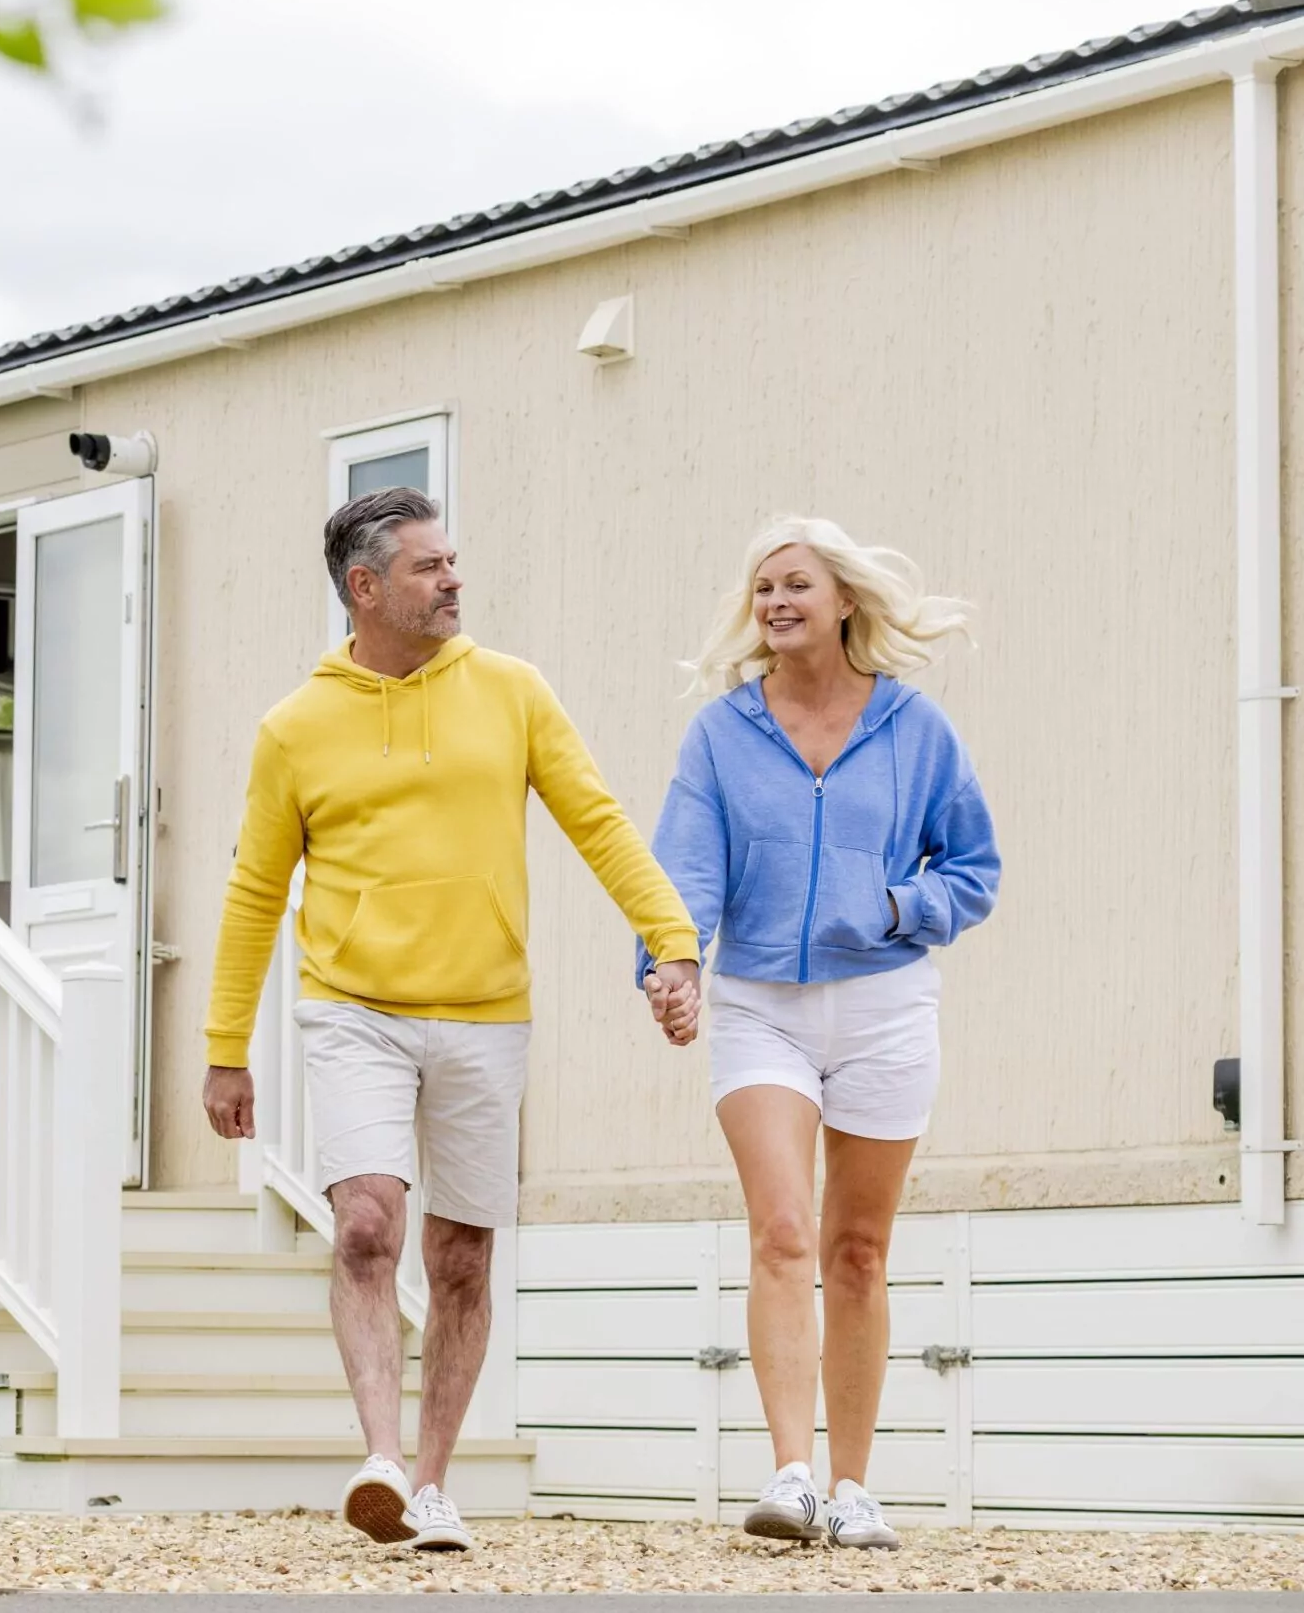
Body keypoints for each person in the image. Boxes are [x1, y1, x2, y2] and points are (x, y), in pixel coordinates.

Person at [202, 486, 699, 1553]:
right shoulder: (295, 727)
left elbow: (598, 821)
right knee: (370, 1222)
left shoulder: (513, 692)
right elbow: (253, 889)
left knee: (462, 1255)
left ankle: (432, 1482)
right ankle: (379, 1455)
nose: (454, 579)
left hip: (486, 1011)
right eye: (430, 566)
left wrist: (673, 940)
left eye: (453, 560)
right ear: (364, 586)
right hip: (353, 1009)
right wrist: (223, 1048)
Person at [642, 517, 999, 1551]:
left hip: (886, 1002)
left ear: (844, 599)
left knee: (856, 1249)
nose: (773, 602)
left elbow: (972, 868)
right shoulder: (720, 734)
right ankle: (791, 1473)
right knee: (783, 1230)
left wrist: (894, 908)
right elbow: (684, 870)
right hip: (759, 1003)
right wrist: (670, 963)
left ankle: (853, 1485)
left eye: (794, 583)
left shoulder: (916, 728)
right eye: (760, 589)